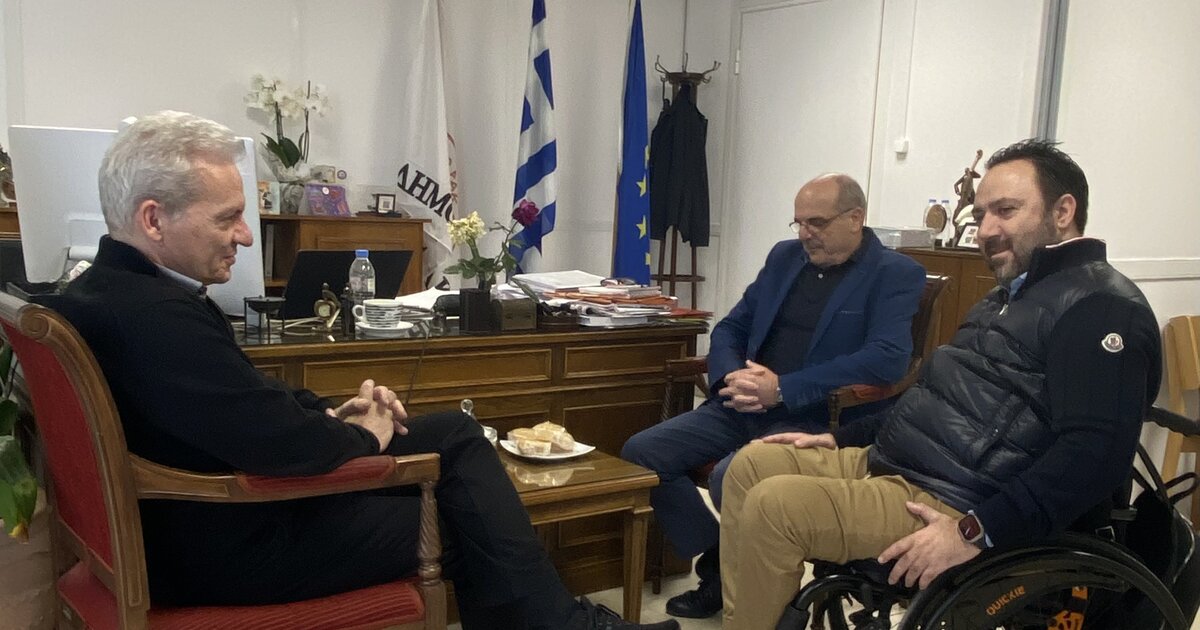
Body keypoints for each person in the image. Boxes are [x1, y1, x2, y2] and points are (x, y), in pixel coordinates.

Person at [42, 111, 678, 630]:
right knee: (471, 520)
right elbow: (274, 442)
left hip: (191, 521)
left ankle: (560, 623)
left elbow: (238, 404)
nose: (245, 236)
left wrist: (331, 412)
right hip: (224, 544)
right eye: (227, 217)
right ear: (153, 218)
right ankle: (563, 625)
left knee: (454, 435)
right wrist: (361, 437)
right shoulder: (155, 316)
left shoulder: (101, 293)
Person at [718, 139, 1162, 628]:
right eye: (982, 215)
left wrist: (974, 531)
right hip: (900, 463)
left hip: (953, 497)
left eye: (1006, 211)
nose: (986, 230)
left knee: (775, 507)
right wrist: (840, 437)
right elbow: (936, 398)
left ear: (1063, 212)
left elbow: (1095, 456)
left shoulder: (1100, 308)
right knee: (751, 464)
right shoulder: (1007, 296)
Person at [621, 173, 926, 619]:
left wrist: (783, 389)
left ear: (856, 218)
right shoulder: (785, 257)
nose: (805, 233)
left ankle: (754, 596)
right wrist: (732, 378)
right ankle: (720, 566)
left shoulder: (895, 273)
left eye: (817, 222)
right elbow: (731, 327)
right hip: (742, 404)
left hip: (812, 417)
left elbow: (888, 359)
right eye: (799, 222)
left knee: (730, 476)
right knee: (642, 454)